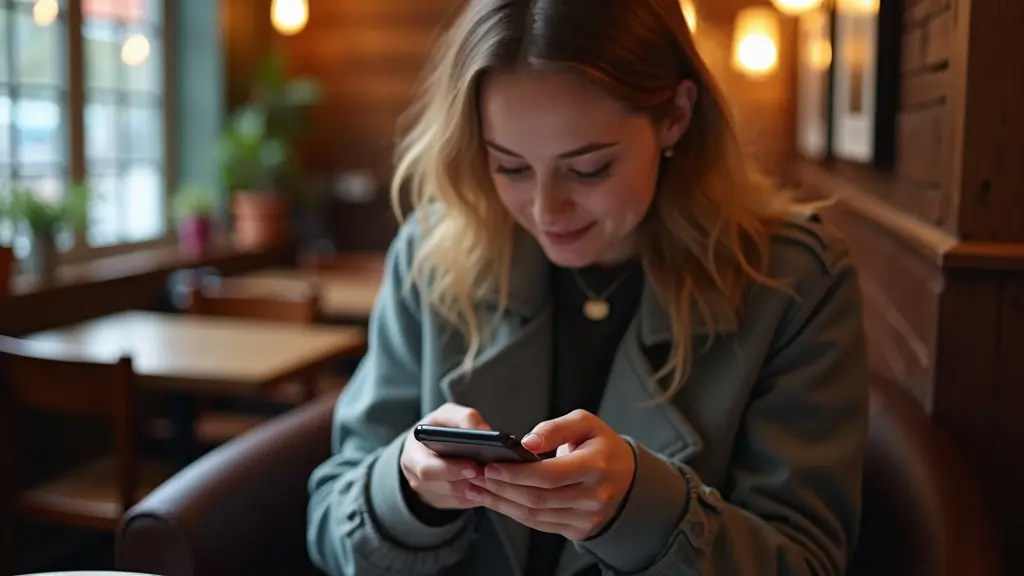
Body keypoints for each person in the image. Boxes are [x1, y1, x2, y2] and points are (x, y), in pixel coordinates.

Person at [306, 0, 868, 574]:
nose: (546, 210)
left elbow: (806, 561)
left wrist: (642, 508)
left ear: (676, 114)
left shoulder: (792, 283)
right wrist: (407, 490)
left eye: (589, 168)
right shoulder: (434, 255)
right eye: (510, 167)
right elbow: (329, 521)